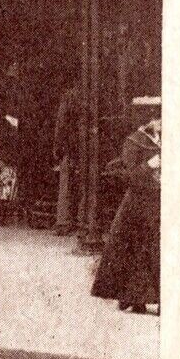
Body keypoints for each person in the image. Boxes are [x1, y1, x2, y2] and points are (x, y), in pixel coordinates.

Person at [92, 112, 161, 313]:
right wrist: (150, 165)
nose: (161, 125)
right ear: (149, 121)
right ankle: (134, 297)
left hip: (158, 201)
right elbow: (128, 176)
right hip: (137, 205)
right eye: (158, 121)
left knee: (156, 250)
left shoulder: (165, 140)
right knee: (137, 250)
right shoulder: (133, 142)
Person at [52, 81, 80, 236]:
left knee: (66, 183)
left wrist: (57, 147)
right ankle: (77, 220)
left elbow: (61, 124)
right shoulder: (86, 96)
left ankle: (64, 222)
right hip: (81, 145)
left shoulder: (69, 97)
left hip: (69, 146)